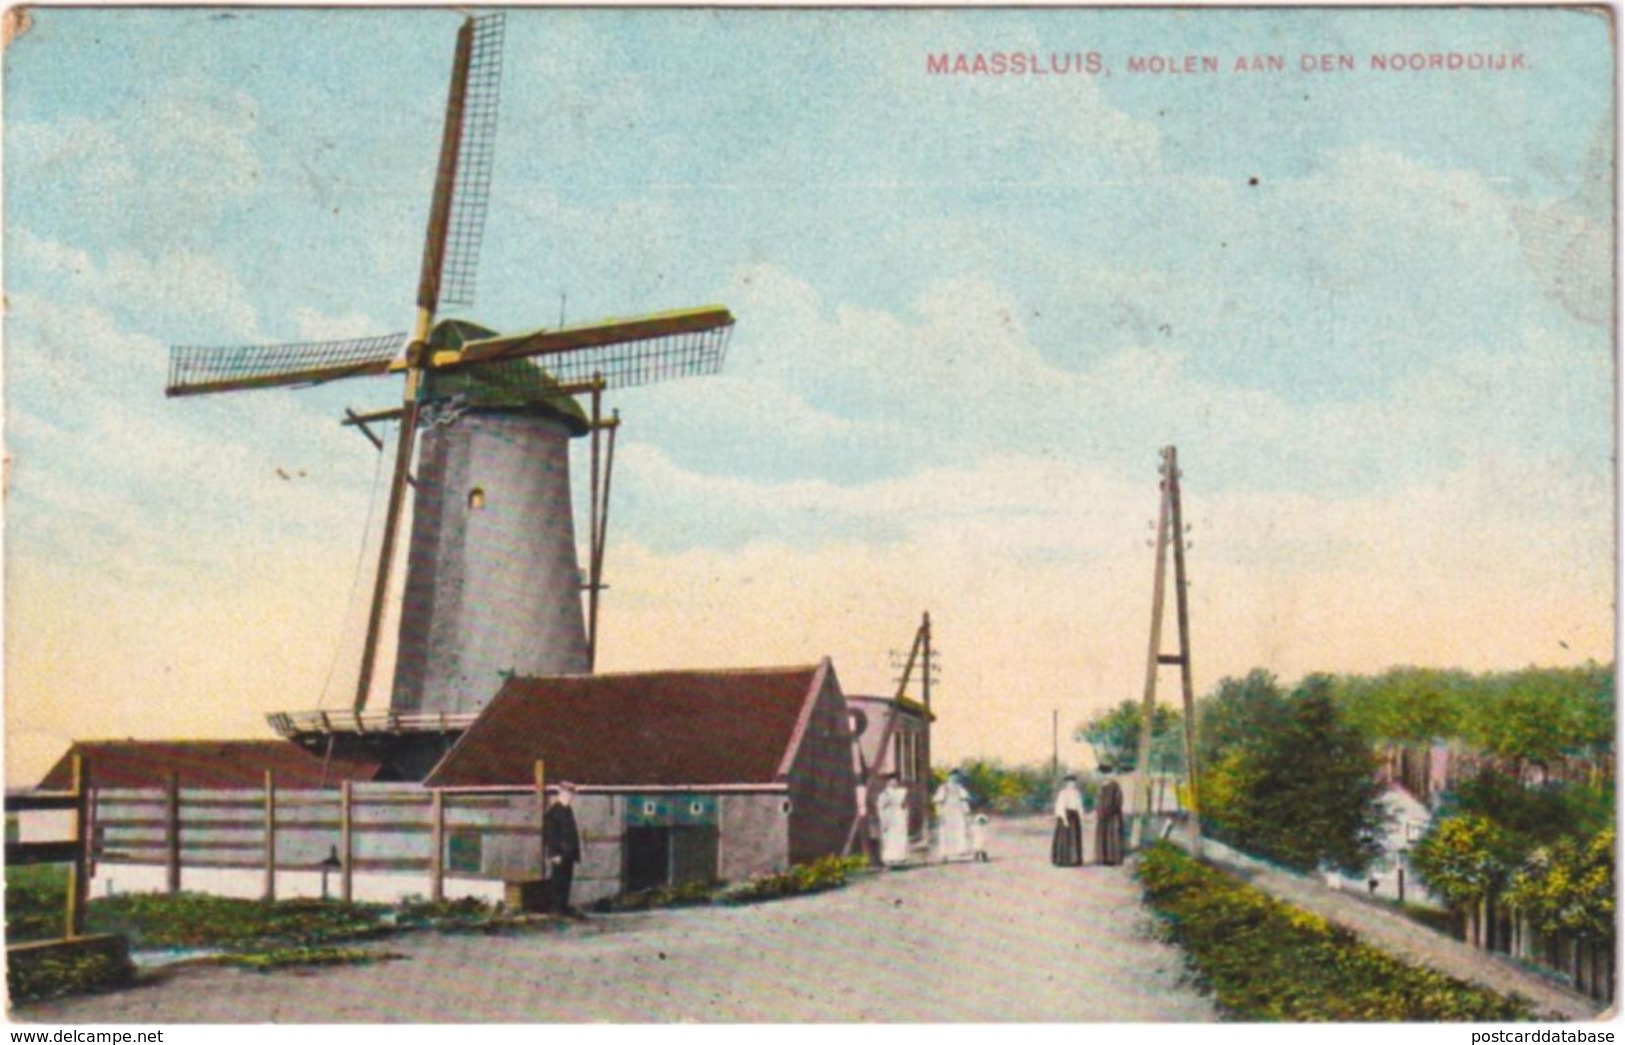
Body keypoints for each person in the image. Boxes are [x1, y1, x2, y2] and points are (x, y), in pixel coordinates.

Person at [543, 781, 584, 916]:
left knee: (566, 881)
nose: (571, 797)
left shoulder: (568, 811)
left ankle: (563, 907)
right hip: (559, 854)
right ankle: (556, 908)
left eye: (572, 794)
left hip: (568, 854)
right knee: (558, 881)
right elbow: (550, 834)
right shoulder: (554, 812)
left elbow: (571, 833)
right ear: (562, 793)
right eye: (569, 794)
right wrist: (554, 853)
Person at [933, 769, 974, 862]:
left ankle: (959, 852)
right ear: (948, 777)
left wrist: (966, 812)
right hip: (947, 811)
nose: (954, 779)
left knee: (960, 829)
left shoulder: (960, 788)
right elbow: (938, 801)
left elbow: (964, 800)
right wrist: (939, 813)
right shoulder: (943, 787)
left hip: (958, 811)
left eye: (956, 777)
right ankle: (945, 854)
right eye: (952, 777)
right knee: (946, 831)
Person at [877, 773, 910, 868]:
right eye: (891, 781)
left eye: (895, 781)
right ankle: (890, 859)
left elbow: (905, 805)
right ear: (887, 782)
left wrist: (906, 815)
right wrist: (883, 819)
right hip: (889, 815)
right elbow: (880, 807)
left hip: (899, 814)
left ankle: (900, 858)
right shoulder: (884, 793)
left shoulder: (902, 792)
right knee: (890, 837)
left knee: (900, 836)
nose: (894, 783)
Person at [1051, 774, 1085, 867]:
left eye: (1073, 782)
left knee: (1074, 838)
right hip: (1066, 816)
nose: (1072, 784)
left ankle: (1074, 860)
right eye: (1070, 782)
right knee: (1064, 838)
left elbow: (1079, 806)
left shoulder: (1077, 793)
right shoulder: (1063, 793)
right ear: (1066, 783)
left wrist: (1081, 816)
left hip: (1075, 817)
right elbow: (1060, 806)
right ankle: (1063, 860)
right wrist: (1064, 819)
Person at [1095, 766, 1125, 867]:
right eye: (1104, 774)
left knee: (1112, 836)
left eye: (1109, 774)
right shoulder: (1100, 787)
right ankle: (1103, 858)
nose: (1106, 776)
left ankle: (1113, 859)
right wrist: (1099, 811)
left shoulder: (1115, 786)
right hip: (1102, 816)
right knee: (1102, 835)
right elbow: (1098, 801)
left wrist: (1110, 810)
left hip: (1113, 816)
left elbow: (1118, 801)